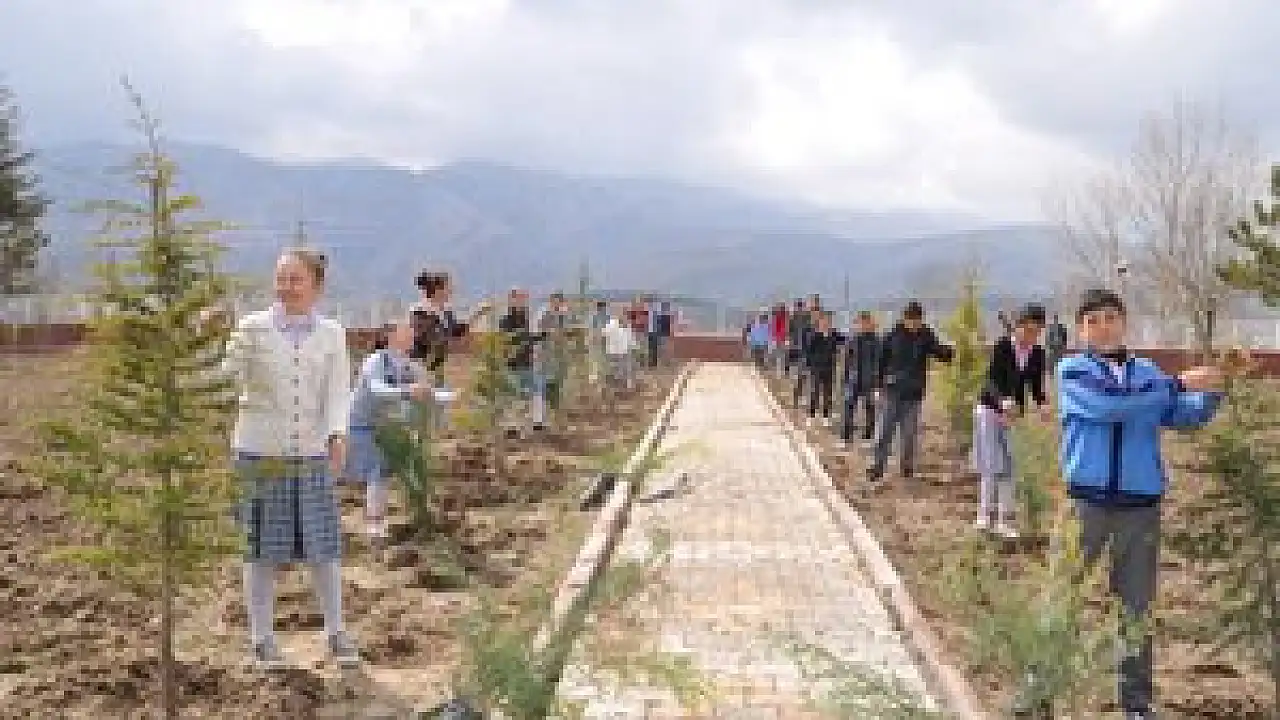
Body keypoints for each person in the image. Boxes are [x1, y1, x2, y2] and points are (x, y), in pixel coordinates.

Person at [1047, 288, 1223, 719]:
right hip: (1085, 504)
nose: (1103, 327)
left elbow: (1182, 414)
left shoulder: (1146, 371)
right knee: (1063, 596)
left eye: (1111, 318)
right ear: (1081, 330)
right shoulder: (1072, 370)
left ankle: (1136, 704)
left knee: (1136, 607)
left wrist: (1213, 390)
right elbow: (1108, 408)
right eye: (1093, 321)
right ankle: (1039, 691)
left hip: (1140, 506)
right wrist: (1175, 384)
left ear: (1124, 322)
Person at [224, 247, 359, 670]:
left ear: (316, 286)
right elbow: (225, 377)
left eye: (295, 279)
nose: (286, 287)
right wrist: (206, 342)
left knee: (323, 549)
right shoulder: (251, 329)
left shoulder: (332, 334)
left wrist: (337, 432)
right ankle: (262, 639)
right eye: (281, 278)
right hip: (260, 455)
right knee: (261, 552)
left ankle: (336, 632)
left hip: (310, 455)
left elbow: (337, 391)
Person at [345, 317, 435, 540]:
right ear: (390, 337)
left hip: (387, 426)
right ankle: (374, 525)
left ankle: (380, 520)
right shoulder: (375, 361)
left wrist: (436, 396)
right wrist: (408, 391)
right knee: (375, 468)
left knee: (382, 471)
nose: (412, 335)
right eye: (406, 331)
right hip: (362, 424)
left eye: (412, 331)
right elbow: (378, 390)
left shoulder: (412, 366)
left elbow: (423, 393)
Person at [972, 304, 1050, 539]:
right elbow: (990, 381)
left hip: (1014, 415)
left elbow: (1035, 385)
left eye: (1037, 332)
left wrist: (1042, 404)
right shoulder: (1002, 347)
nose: (1031, 336)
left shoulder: (1037, 353)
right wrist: (1002, 401)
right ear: (1017, 327)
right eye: (1028, 330)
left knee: (1011, 465)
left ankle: (1006, 519)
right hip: (989, 410)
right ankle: (985, 515)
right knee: (992, 464)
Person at [868, 300, 954, 483]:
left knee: (909, 434)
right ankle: (877, 467)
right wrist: (877, 386)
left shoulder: (926, 335)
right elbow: (880, 362)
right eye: (912, 321)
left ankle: (907, 469)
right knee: (884, 431)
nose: (915, 324)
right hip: (892, 391)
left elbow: (939, 351)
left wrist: (951, 351)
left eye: (918, 321)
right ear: (904, 319)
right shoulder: (892, 335)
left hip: (914, 394)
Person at [409, 269, 490, 384]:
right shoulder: (419, 311)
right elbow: (430, 338)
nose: (451, 292)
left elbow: (457, 331)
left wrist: (477, 314)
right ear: (438, 290)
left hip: (437, 365)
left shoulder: (446, 312)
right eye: (449, 288)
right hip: (420, 366)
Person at [498, 288, 548, 432]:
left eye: (522, 298)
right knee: (513, 394)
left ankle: (538, 422)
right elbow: (510, 339)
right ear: (511, 300)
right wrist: (530, 338)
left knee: (537, 390)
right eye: (517, 298)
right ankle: (511, 425)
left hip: (528, 362)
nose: (520, 301)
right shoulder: (505, 321)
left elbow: (531, 338)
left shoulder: (528, 319)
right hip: (512, 363)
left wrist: (541, 337)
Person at [839, 311, 880, 449]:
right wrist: (845, 379)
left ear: (870, 323)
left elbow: (880, 363)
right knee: (848, 407)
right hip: (853, 379)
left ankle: (868, 437)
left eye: (865, 322)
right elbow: (846, 361)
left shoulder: (877, 342)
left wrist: (878, 383)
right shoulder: (852, 341)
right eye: (860, 323)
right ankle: (846, 437)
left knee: (870, 409)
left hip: (870, 380)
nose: (862, 325)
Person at [803, 310, 844, 425]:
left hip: (829, 367)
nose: (826, 323)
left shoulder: (834, 334)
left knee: (828, 392)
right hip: (816, 367)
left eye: (829, 321)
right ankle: (811, 414)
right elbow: (809, 351)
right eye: (824, 320)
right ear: (819, 321)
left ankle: (826, 415)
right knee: (815, 391)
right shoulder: (814, 335)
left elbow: (845, 343)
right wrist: (809, 365)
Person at [791, 295, 821, 408]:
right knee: (801, 378)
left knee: (815, 381)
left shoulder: (820, 319)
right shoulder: (803, 319)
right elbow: (798, 335)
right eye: (812, 306)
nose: (814, 309)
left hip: (816, 354)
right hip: (804, 352)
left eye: (816, 306)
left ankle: (814, 404)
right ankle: (796, 399)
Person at [601, 307, 637, 391]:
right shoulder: (612, 324)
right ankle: (618, 386)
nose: (623, 316)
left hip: (621, 351)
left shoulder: (626, 326)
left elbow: (631, 340)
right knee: (618, 369)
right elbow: (603, 333)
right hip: (615, 351)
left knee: (624, 369)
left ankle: (624, 386)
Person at [769, 302, 789, 378]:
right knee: (781, 357)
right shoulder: (780, 317)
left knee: (781, 357)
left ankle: (781, 372)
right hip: (781, 339)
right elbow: (776, 329)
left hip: (781, 339)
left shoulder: (782, 317)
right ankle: (780, 372)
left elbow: (776, 329)